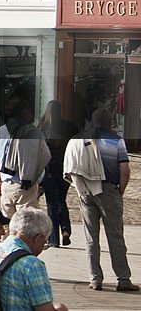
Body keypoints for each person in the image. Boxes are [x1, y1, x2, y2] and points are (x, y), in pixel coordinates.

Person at [65, 107, 137, 292]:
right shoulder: (116, 140)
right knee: (115, 236)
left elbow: (69, 167)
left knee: (91, 237)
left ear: (93, 121)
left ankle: (95, 279)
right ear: (109, 121)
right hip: (108, 190)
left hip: (85, 190)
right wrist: (120, 191)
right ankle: (123, 279)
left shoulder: (77, 139)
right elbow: (125, 170)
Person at [0, 207, 68, 311]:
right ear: (39, 238)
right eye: (44, 242)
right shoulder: (32, 264)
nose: (43, 246)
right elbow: (44, 309)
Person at [0, 97, 50, 217]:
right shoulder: (32, 133)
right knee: (28, 226)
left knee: (8, 226)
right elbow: (44, 156)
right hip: (26, 185)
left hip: (6, 185)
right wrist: (38, 180)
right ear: (23, 113)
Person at [38, 99, 77, 247]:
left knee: (52, 203)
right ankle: (65, 230)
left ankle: (53, 238)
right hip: (64, 168)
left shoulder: (42, 128)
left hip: (48, 170)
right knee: (61, 200)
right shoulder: (70, 127)